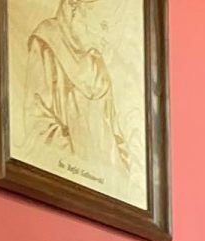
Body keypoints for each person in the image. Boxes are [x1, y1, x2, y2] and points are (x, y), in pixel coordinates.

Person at [22, 0, 136, 180]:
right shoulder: (47, 41)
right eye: (99, 23)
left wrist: (119, 170)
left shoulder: (97, 62)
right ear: (74, 11)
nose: (102, 34)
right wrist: (77, 161)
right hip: (62, 174)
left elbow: (114, 131)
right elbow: (38, 121)